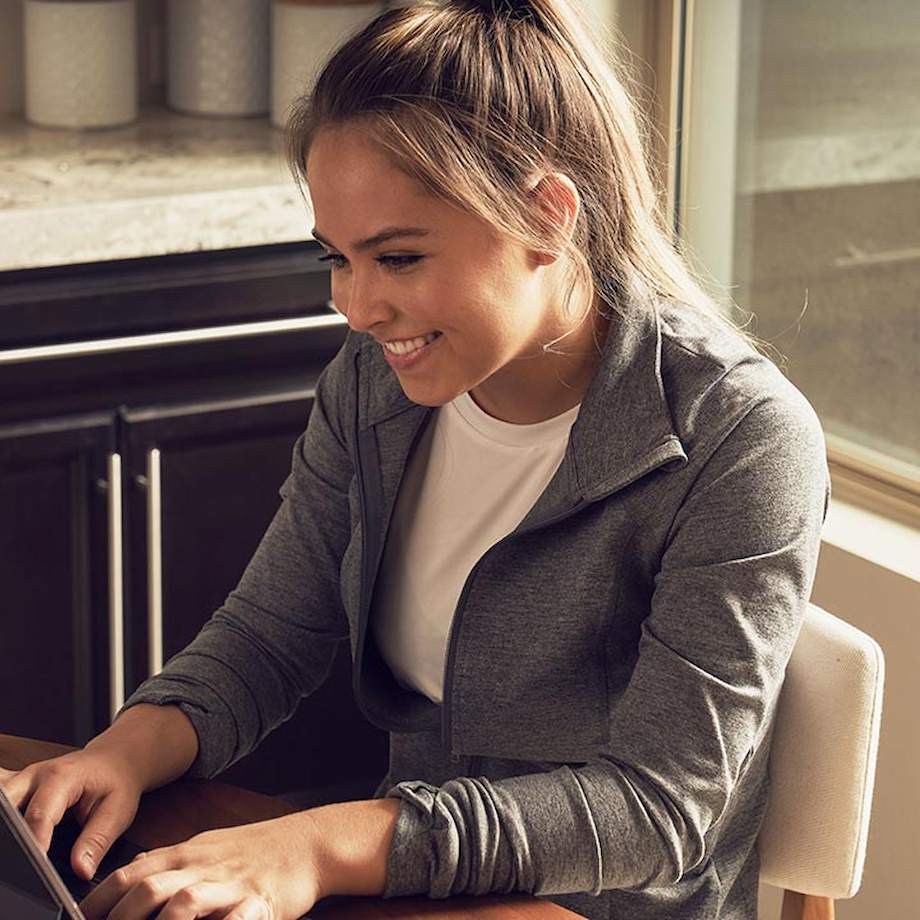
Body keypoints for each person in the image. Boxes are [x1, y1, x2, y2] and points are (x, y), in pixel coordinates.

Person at [0, 1, 831, 918]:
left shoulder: (740, 439)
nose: (356, 308)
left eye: (396, 258)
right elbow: (270, 632)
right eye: (338, 259)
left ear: (546, 214)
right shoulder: (375, 384)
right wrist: (122, 751)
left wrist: (317, 841)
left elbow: (659, 808)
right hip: (417, 890)